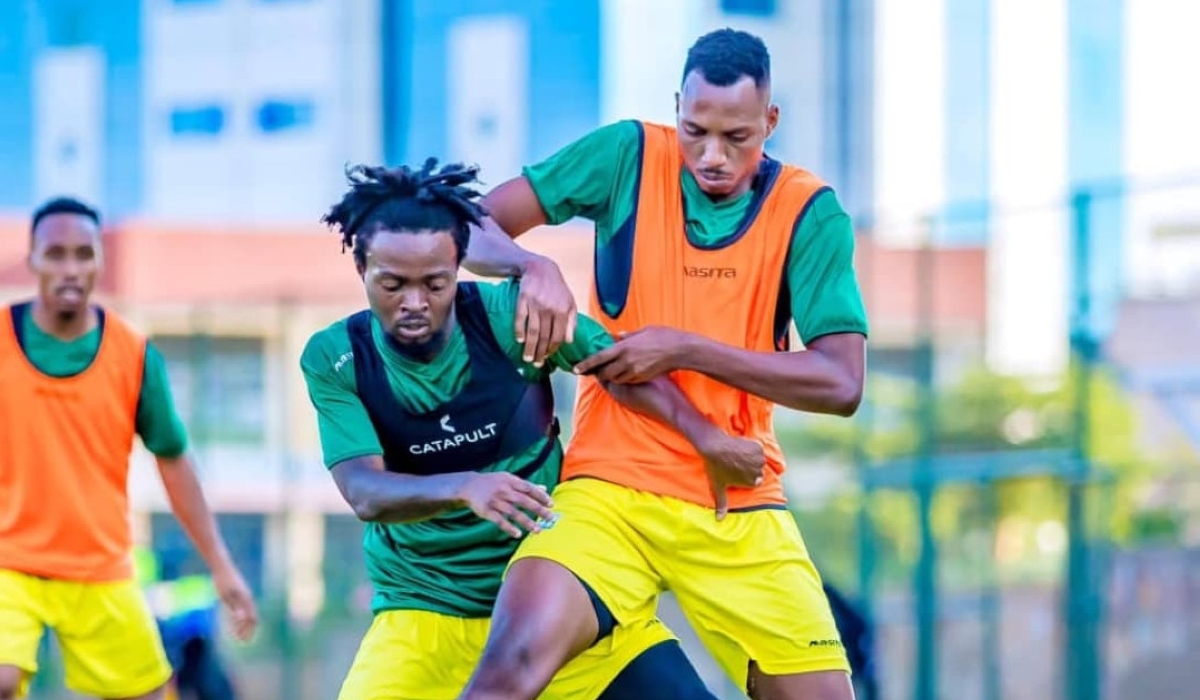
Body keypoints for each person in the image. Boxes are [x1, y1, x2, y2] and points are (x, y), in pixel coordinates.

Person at [456, 28, 869, 700]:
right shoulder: (625, 155)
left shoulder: (808, 212)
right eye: (695, 131)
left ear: (770, 121)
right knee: (508, 671)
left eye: (737, 137)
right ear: (677, 107)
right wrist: (532, 266)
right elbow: (469, 225)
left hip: (734, 498)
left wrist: (686, 348)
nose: (712, 155)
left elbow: (842, 383)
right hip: (608, 491)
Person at [300, 160, 745, 699]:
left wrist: (706, 437)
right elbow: (364, 492)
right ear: (361, 267)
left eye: (435, 284)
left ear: (458, 264)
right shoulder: (337, 358)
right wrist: (466, 487)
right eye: (392, 284)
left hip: (551, 599)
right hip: (424, 612)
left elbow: (621, 369)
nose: (414, 303)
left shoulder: (511, 317)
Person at [0, 198, 259, 700]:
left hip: (99, 568)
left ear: (101, 260)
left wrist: (221, 564)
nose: (70, 268)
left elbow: (173, 459)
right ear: (32, 259)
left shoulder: (133, 356)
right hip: (7, 562)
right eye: (55, 254)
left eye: (84, 254)